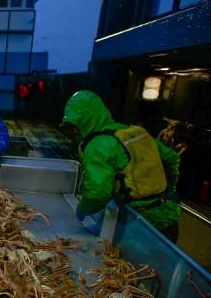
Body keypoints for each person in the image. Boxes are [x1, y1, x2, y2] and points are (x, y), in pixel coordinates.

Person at [62, 90, 180, 242]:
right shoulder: (135, 132)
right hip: (167, 217)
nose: (74, 131)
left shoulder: (97, 145)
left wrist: (82, 210)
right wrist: (168, 189)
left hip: (138, 224)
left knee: (129, 263)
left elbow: (97, 193)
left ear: (85, 121)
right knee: (164, 265)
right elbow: (172, 158)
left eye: (74, 126)